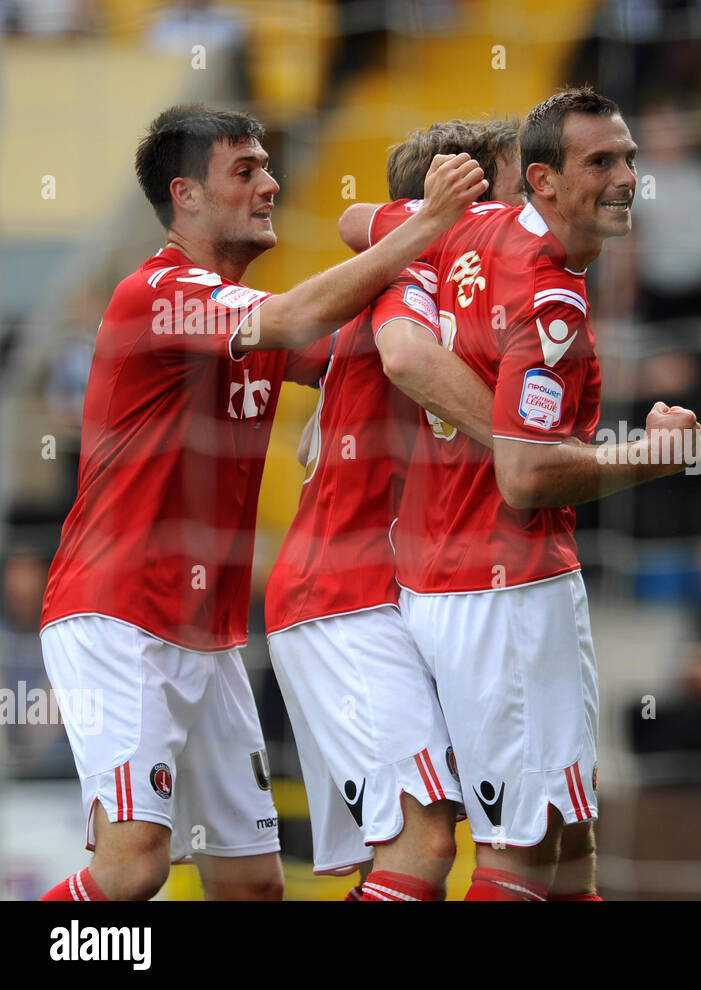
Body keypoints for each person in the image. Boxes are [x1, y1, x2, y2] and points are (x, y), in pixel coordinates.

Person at [37, 103, 485, 901]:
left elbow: (360, 350)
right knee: (133, 868)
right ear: (188, 196)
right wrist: (423, 227)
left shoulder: (238, 312)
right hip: (116, 615)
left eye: (269, 165)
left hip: (209, 636)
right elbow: (299, 319)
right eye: (245, 171)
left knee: (251, 888)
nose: (272, 184)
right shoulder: (160, 295)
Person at [349, 87, 701, 900]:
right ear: (540, 179)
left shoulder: (468, 232)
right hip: (506, 590)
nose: (624, 179)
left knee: (571, 846)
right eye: (600, 163)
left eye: (630, 159)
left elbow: (350, 222)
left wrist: (430, 219)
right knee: (517, 864)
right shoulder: (551, 299)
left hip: (453, 579)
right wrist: (651, 456)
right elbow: (526, 473)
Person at [266, 119, 522, 902]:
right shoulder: (414, 282)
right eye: (516, 190)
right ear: (459, 200)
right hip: (341, 598)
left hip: (395, 598)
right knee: (423, 841)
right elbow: (404, 355)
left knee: (444, 842)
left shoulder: (433, 290)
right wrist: (528, 450)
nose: (528, 214)